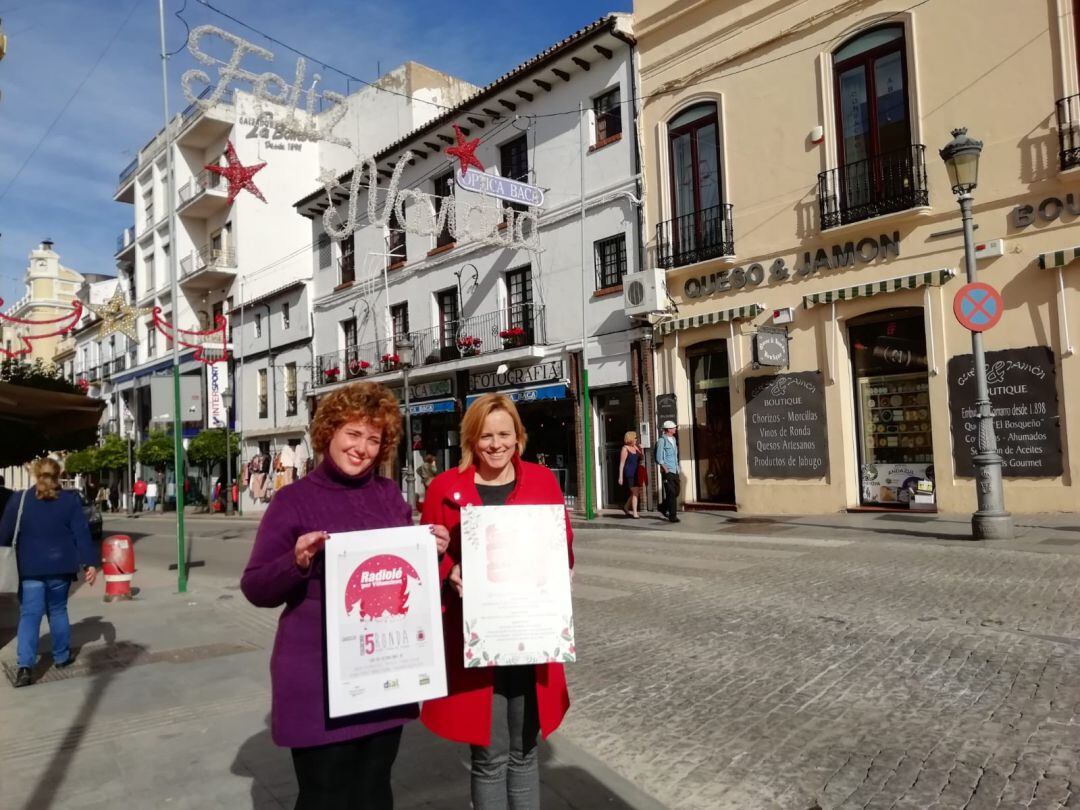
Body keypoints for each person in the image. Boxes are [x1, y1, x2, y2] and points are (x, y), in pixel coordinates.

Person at [240, 382, 450, 810]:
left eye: (374, 439)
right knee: (325, 795)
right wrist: (296, 562)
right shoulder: (292, 501)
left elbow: (409, 582)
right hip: (317, 680)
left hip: (382, 672)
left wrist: (433, 553)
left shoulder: (390, 497)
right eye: (353, 434)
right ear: (329, 434)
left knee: (374, 791)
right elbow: (256, 586)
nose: (362, 448)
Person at [421, 393, 574, 810]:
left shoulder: (543, 481)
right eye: (486, 435)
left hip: (529, 640)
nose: (496, 444)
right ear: (471, 438)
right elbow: (423, 559)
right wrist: (446, 567)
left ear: (518, 437)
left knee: (524, 751)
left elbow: (564, 551)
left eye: (504, 433)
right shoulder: (444, 487)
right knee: (489, 757)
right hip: (475, 643)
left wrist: (559, 573)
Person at [0, 458, 98, 687]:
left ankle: (25, 667)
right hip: (61, 567)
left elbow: (3, 534)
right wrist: (89, 564)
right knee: (57, 611)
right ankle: (62, 657)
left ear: (35, 474)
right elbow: (82, 534)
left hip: (30, 568)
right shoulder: (70, 501)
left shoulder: (19, 499)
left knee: (29, 616)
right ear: (59, 474)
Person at [656, 419, 680, 523]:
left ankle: (663, 507)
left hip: (675, 469)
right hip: (667, 470)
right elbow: (658, 456)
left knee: (677, 491)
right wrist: (664, 467)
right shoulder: (662, 440)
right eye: (674, 427)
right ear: (668, 429)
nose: (675, 429)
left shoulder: (674, 439)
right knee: (671, 493)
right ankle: (672, 516)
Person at [617, 431, 644, 519]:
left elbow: (641, 457)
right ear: (631, 438)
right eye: (635, 438)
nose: (636, 439)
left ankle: (626, 507)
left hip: (637, 472)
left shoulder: (635, 447)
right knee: (635, 492)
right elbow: (622, 463)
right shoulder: (625, 448)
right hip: (630, 473)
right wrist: (620, 477)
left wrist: (642, 449)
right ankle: (635, 513)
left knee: (634, 492)